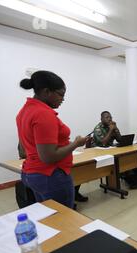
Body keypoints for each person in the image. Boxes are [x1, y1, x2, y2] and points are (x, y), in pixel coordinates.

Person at [17, 71, 88, 209]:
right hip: (51, 175)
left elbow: (23, 148)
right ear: (46, 92)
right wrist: (76, 144)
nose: (62, 99)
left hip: (32, 173)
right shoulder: (44, 114)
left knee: (48, 216)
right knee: (63, 218)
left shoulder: (24, 111)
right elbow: (48, 157)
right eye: (60, 94)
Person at [92, 111, 137, 189]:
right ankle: (130, 181)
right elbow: (103, 143)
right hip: (98, 152)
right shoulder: (98, 128)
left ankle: (134, 178)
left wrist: (115, 129)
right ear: (101, 119)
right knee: (119, 161)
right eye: (107, 117)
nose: (109, 119)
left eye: (110, 117)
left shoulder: (112, 126)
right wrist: (110, 130)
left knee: (126, 158)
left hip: (109, 150)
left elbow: (120, 139)